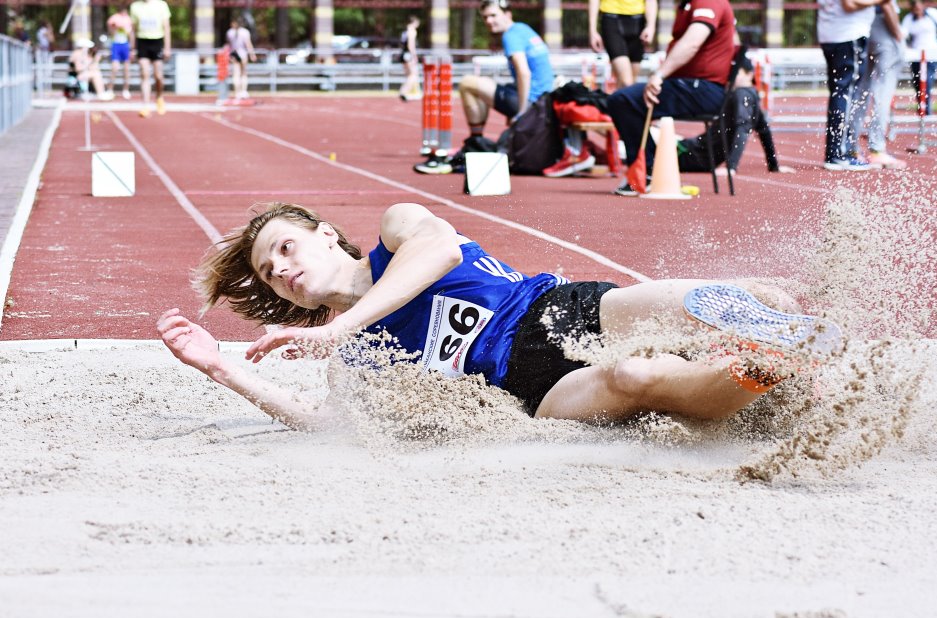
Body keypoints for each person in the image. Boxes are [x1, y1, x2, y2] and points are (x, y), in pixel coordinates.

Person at [157, 202, 843, 429]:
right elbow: (323, 421)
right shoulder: (353, 355)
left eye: (285, 246)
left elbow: (440, 247)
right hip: (526, 389)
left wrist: (339, 323)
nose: (281, 267)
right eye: (272, 273)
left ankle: (776, 323)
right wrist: (221, 369)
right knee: (635, 378)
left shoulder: (397, 230)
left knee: (687, 305)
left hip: (551, 311)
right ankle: (762, 369)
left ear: (327, 234)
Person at [606, 0, 736, 196]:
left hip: (702, 89)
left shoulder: (708, 1)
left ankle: (647, 172)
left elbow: (692, 42)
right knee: (626, 100)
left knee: (623, 100)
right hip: (689, 85)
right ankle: (649, 169)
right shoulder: (688, 5)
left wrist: (659, 75)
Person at [415, 0, 554, 174]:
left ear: (507, 14)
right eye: (485, 17)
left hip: (533, 103)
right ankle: (476, 142)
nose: (489, 21)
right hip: (544, 100)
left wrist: (521, 112)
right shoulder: (523, 29)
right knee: (481, 84)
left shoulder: (511, 36)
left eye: (493, 15)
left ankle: (476, 141)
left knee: (467, 83)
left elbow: (523, 73)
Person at [675, 53, 795, 176]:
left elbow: (743, 128)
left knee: (658, 145)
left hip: (692, 155)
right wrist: (773, 166)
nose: (731, 76)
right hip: (696, 152)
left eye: (736, 72)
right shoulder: (751, 96)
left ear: (749, 75)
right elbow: (764, 131)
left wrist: (731, 167)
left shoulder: (741, 94)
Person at [817, 0, 889, 171]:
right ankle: (839, 154)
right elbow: (849, 4)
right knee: (845, 93)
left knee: (840, 92)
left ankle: (836, 152)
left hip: (833, 35)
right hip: (847, 35)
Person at [849, 0, 908, 168]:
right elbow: (886, 4)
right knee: (883, 92)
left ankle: (851, 147)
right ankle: (876, 150)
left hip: (863, 26)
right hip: (883, 27)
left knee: (862, 90)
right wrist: (897, 33)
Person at [588, 0, 657, 89]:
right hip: (611, 19)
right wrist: (592, 31)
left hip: (638, 23)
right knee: (627, 82)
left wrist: (651, 26)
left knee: (631, 82)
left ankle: (617, 101)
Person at [901, 0, 937, 115]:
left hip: (932, 54)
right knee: (917, 82)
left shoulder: (932, 13)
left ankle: (926, 110)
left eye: (919, 4)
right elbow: (902, 35)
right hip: (916, 56)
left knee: (926, 79)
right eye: (914, 5)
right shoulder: (909, 19)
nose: (917, 7)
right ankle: (922, 107)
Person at [129, 0, 171, 117]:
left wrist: (167, 47)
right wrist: (132, 48)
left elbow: (166, 27)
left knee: (158, 76)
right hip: (142, 42)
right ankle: (145, 106)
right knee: (144, 74)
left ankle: (159, 97)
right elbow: (133, 29)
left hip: (157, 41)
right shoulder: (135, 6)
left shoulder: (161, 5)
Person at [226, 16, 255, 102]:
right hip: (243, 54)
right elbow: (248, 44)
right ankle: (244, 91)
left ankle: (237, 92)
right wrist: (252, 54)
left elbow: (229, 45)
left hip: (234, 54)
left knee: (236, 74)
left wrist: (229, 55)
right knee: (244, 73)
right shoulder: (245, 32)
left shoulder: (229, 32)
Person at [107, 7, 134, 100]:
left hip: (125, 45)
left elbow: (131, 34)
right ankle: (110, 89)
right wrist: (115, 27)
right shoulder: (114, 18)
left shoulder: (128, 19)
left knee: (126, 69)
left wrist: (132, 48)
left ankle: (126, 89)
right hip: (116, 45)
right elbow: (111, 32)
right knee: (115, 68)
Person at [398, 15, 421, 101]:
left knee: (408, 75)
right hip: (408, 55)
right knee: (413, 75)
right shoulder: (412, 31)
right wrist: (414, 56)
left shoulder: (404, 31)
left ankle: (409, 92)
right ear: (414, 22)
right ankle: (403, 91)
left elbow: (402, 44)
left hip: (403, 54)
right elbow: (411, 45)